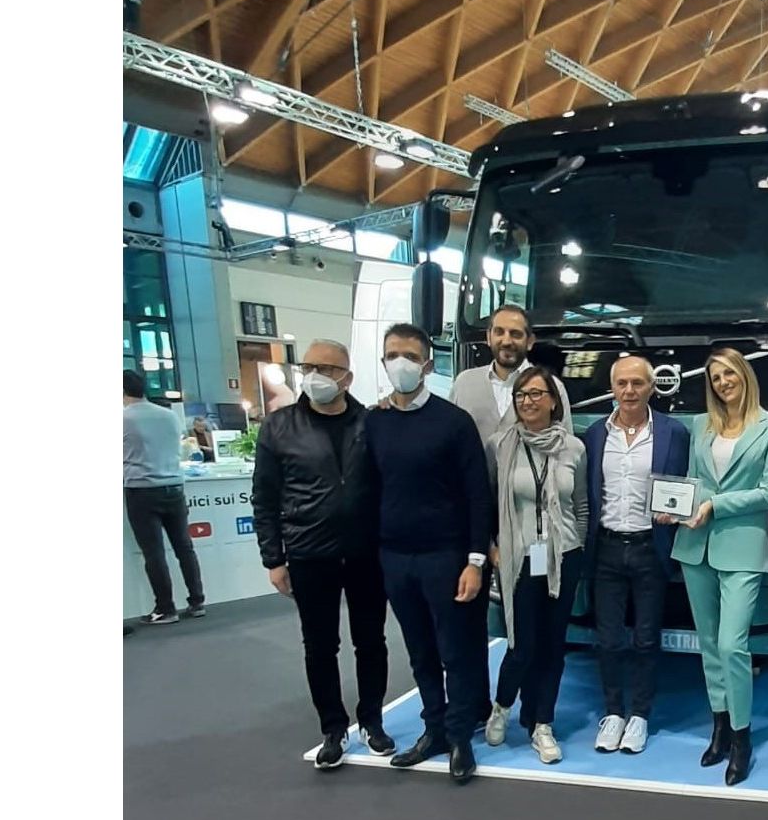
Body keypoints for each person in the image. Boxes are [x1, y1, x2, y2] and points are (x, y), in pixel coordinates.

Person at [251, 339, 394, 771]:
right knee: (319, 646)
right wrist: (274, 559)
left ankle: (372, 720)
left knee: (371, 641)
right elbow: (265, 497)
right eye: (309, 366)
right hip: (309, 552)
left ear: (347, 378)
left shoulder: (371, 424)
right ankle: (333, 728)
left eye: (327, 369)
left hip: (367, 552)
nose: (315, 375)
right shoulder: (278, 427)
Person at [365, 323, 493, 784]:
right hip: (396, 558)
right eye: (391, 355)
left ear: (427, 364)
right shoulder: (374, 421)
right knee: (420, 652)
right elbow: (368, 489)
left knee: (456, 651)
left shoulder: (454, 422)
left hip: (447, 556)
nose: (399, 363)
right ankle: (434, 730)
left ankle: (459, 737)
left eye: (409, 355)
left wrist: (475, 560)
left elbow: (478, 495)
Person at [669, 348, 768, 786]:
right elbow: (693, 480)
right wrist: (676, 506)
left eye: (729, 373)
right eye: (715, 377)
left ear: (744, 375)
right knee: (708, 643)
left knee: (731, 644)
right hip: (695, 545)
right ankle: (719, 726)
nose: (722, 382)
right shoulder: (702, 424)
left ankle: (741, 737)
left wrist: (715, 505)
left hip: (742, 546)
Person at [584, 355, 691, 755]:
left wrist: (677, 513)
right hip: (606, 548)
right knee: (608, 639)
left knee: (647, 638)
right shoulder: (595, 434)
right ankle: (613, 712)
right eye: (622, 383)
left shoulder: (674, 433)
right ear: (612, 388)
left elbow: (685, 483)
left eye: (637, 383)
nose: (629, 391)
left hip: (651, 548)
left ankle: (640, 715)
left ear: (651, 387)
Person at [484, 367, 589, 763]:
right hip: (519, 557)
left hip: (563, 556)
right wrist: (492, 547)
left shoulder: (573, 448)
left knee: (553, 645)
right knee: (521, 643)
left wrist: (576, 544)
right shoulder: (500, 445)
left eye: (535, 394)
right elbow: (488, 502)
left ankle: (542, 723)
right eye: (521, 395)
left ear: (553, 400)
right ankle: (502, 707)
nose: (527, 401)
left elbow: (580, 504)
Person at [123, 369, 205, 626]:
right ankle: (197, 601)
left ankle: (166, 608)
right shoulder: (169, 415)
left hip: (142, 489)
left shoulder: (123, 418)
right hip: (174, 487)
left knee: (154, 552)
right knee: (184, 547)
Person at [450, 304, 572, 442]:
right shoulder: (464, 384)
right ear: (489, 337)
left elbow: (565, 447)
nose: (506, 341)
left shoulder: (553, 387)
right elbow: (449, 439)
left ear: (530, 341)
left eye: (515, 334)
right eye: (499, 332)